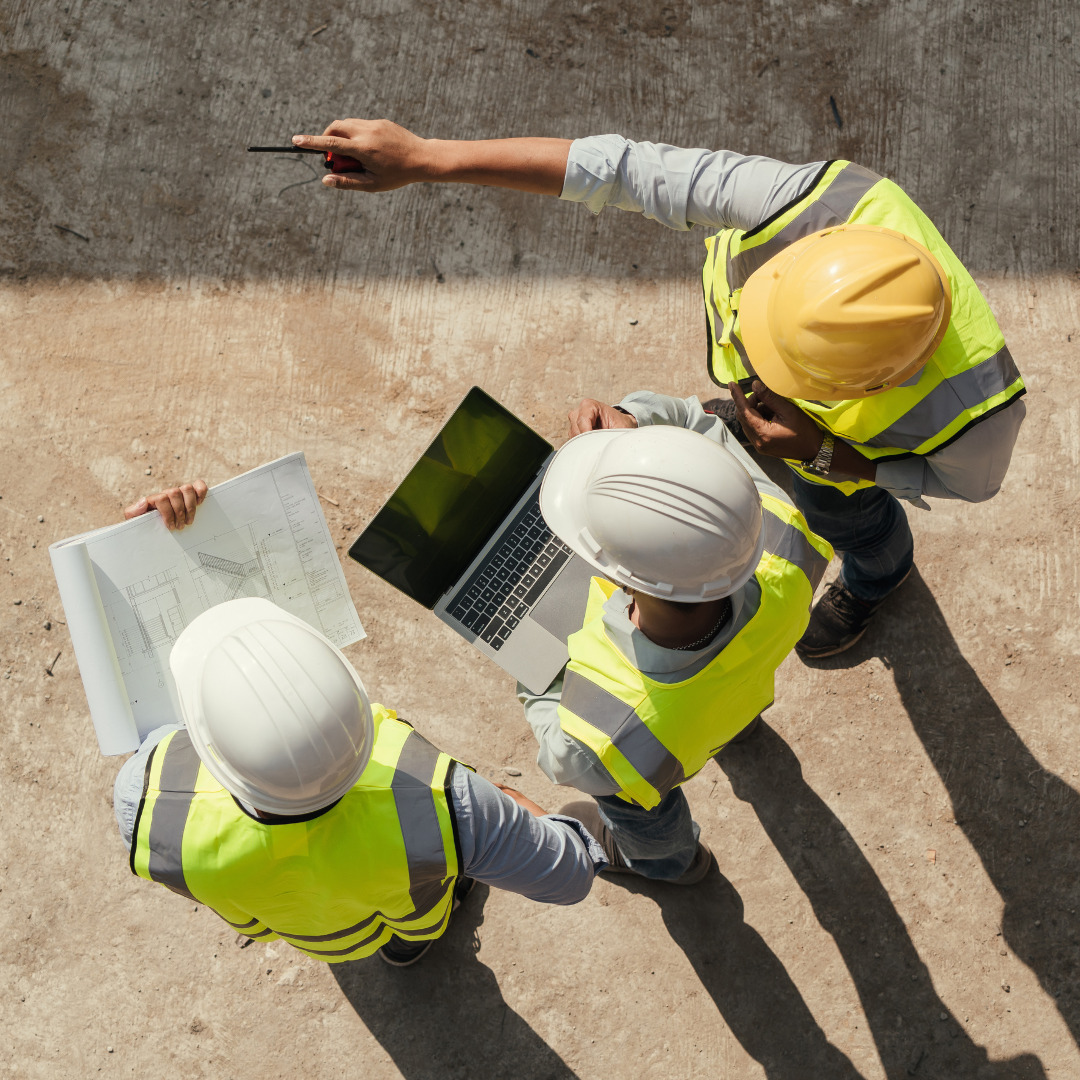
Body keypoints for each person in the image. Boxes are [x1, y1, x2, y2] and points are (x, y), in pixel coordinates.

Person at [289, 120, 1026, 657]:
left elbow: (960, 486)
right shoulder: (808, 204)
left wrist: (833, 459)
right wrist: (427, 158)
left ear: (877, 380)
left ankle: (879, 575)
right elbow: (621, 169)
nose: (752, 375)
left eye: (781, 371)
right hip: (805, 435)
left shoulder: (981, 418)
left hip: (838, 462)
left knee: (852, 523)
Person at [114, 483, 606, 967]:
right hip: (411, 910)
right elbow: (568, 874)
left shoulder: (145, 801)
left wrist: (140, 550)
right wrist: (503, 808)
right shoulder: (449, 803)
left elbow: (152, 723)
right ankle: (410, 944)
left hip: (313, 934)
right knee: (415, 919)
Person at [519, 399, 832, 882]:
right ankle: (736, 731)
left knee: (640, 811)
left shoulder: (600, 741)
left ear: (608, 574)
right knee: (722, 704)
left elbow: (561, 752)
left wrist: (528, 658)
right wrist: (634, 421)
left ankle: (670, 864)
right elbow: (697, 427)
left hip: (654, 751)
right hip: (727, 696)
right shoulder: (784, 535)